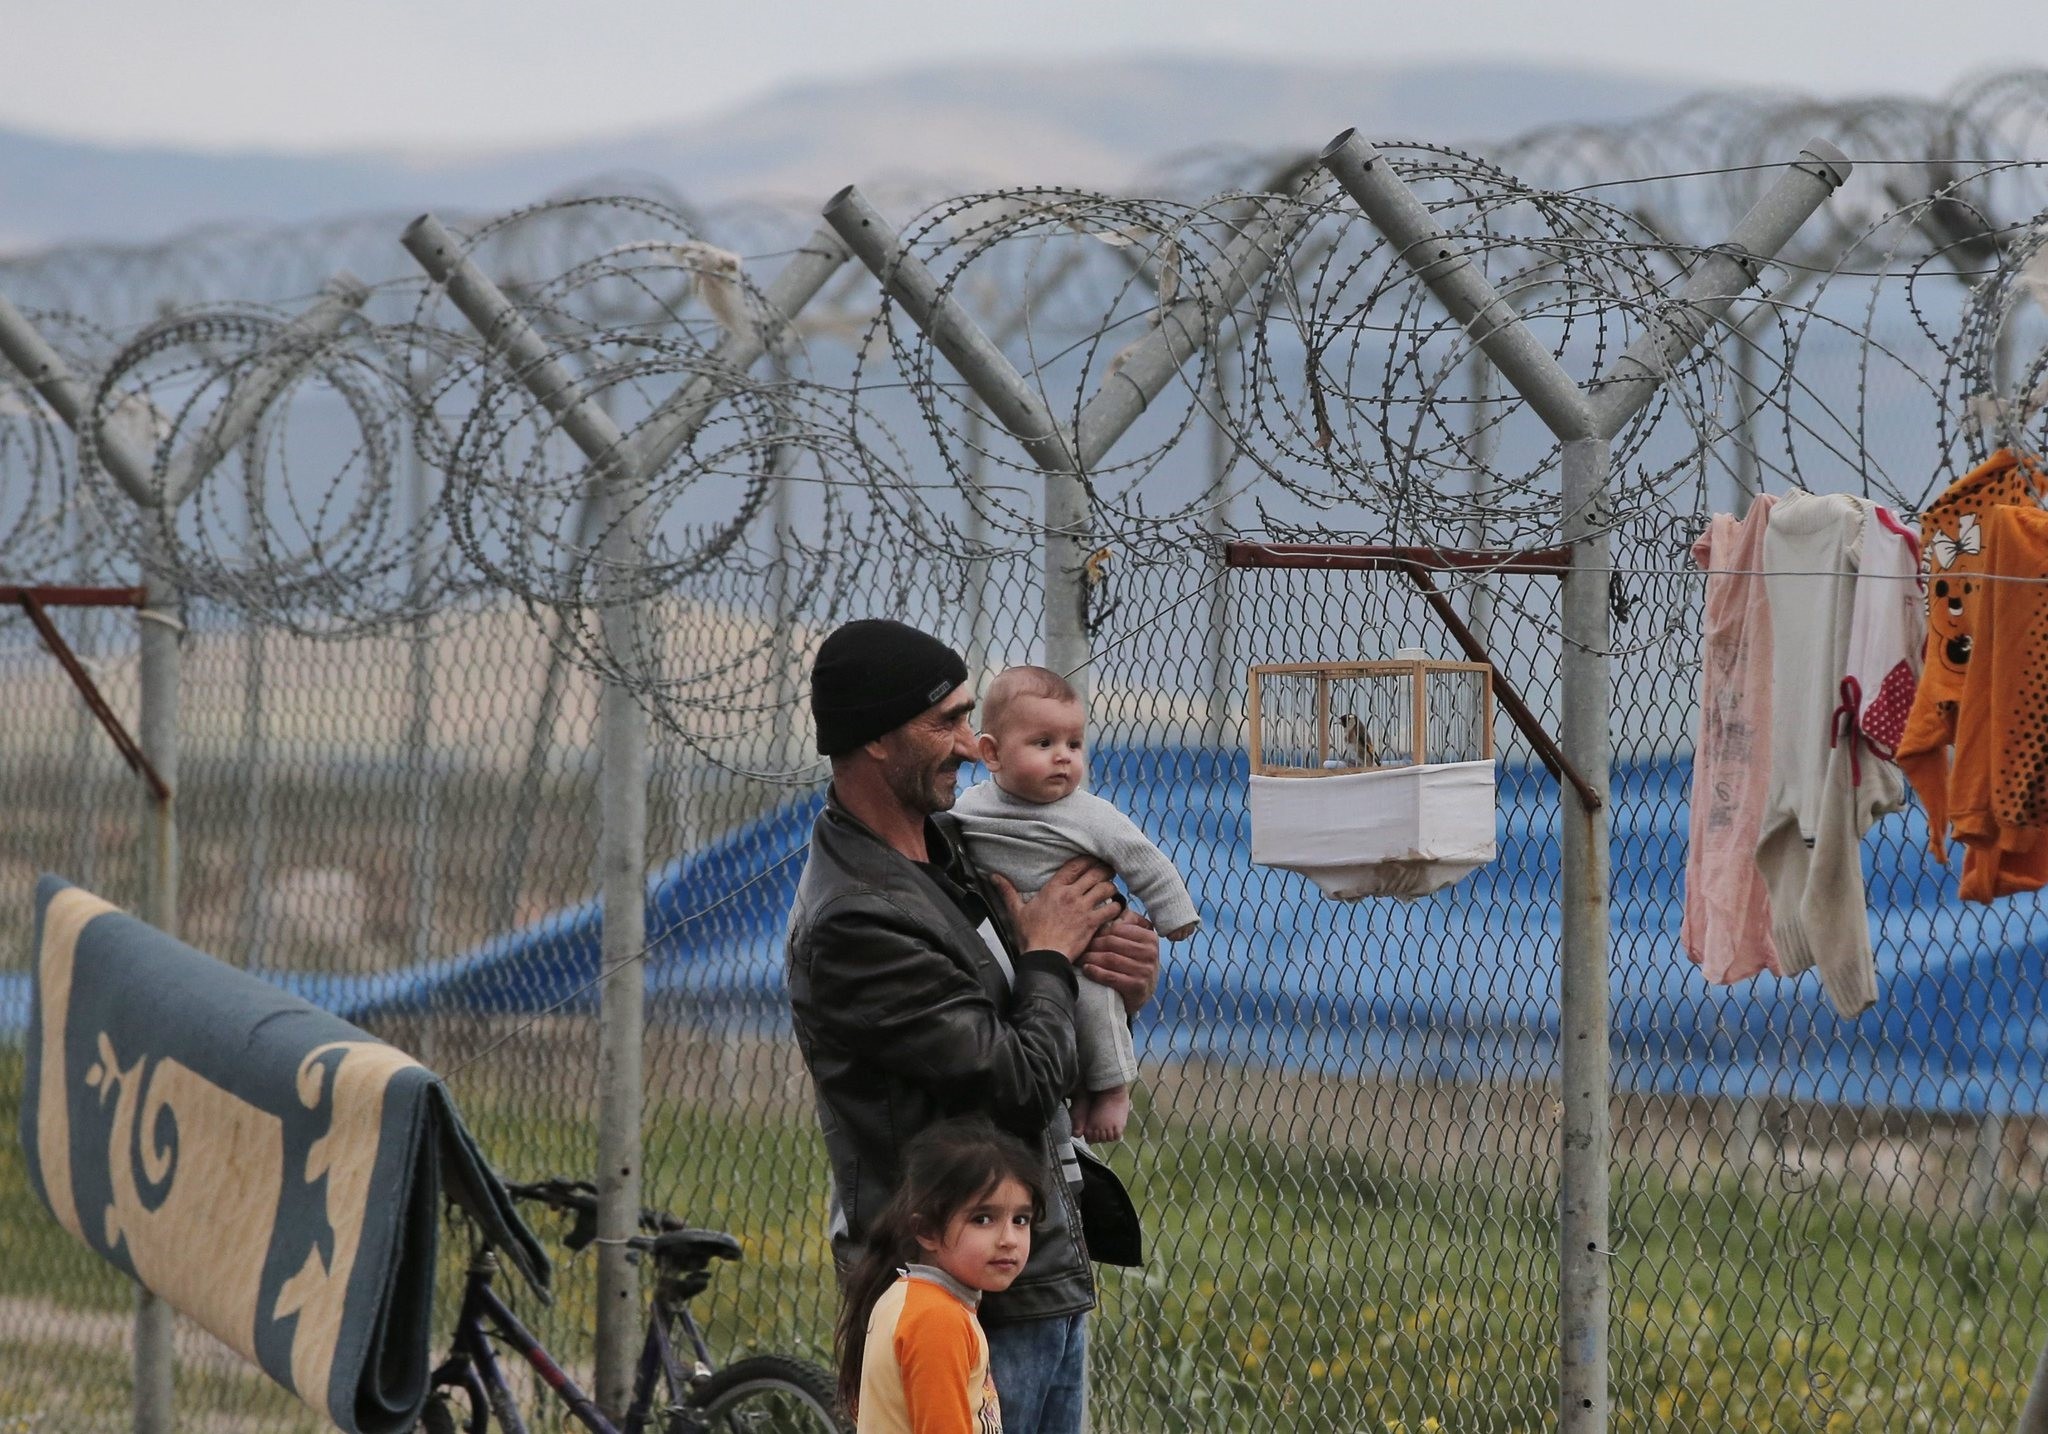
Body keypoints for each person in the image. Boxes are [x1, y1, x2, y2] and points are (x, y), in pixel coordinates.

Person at [786, 618, 1159, 1434]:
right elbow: (1018, 1081)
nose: (970, 744)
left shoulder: (953, 851)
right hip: (952, 1294)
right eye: (946, 721)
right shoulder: (856, 920)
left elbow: (1038, 1027)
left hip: (1032, 1269)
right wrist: (1051, 953)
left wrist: (1117, 987)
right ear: (876, 739)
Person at [953, 666, 1199, 1143]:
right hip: (1006, 938)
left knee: (1094, 1000)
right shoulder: (968, 808)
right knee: (1046, 1014)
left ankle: (1111, 1087)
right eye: (1043, 743)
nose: (1063, 756)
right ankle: (1078, 1089)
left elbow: (1144, 860)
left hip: (1084, 938)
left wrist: (1174, 917)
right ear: (992, 753)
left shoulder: (1089, 813)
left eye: (1074, 744)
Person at [835, 1118, 1047, 1432]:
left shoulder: (917, 1298)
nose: (1009, 1240)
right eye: (983, 1219)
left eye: (1020, 1219)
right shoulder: (936, 1318)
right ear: (927, 1230)